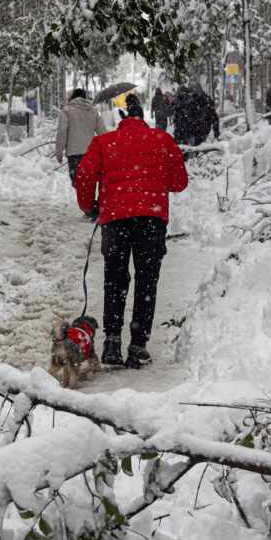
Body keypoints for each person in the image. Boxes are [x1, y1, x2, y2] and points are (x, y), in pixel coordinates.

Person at [74, 93, 188, 368]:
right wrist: (154, 183)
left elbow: (85, 176)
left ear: (123, 121)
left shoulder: (104, 142)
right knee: (146, 281)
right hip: (151, 219)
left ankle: (112, 342)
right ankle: (138, 345)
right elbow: (179, 181)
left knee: (115, 279)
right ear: (144, 120)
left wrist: (90, 206)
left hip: (115, 220)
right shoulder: (162, 140)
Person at [55, 87, 104, 190]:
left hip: (74, 154)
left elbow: (62, 132)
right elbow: (102, 133)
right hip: (90, 154)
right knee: (89, 182)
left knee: (77, 182)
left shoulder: (66, 111)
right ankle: (89, 203)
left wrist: (59, 152)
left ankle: (83, 203)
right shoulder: (94, 111)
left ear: (72, 97)